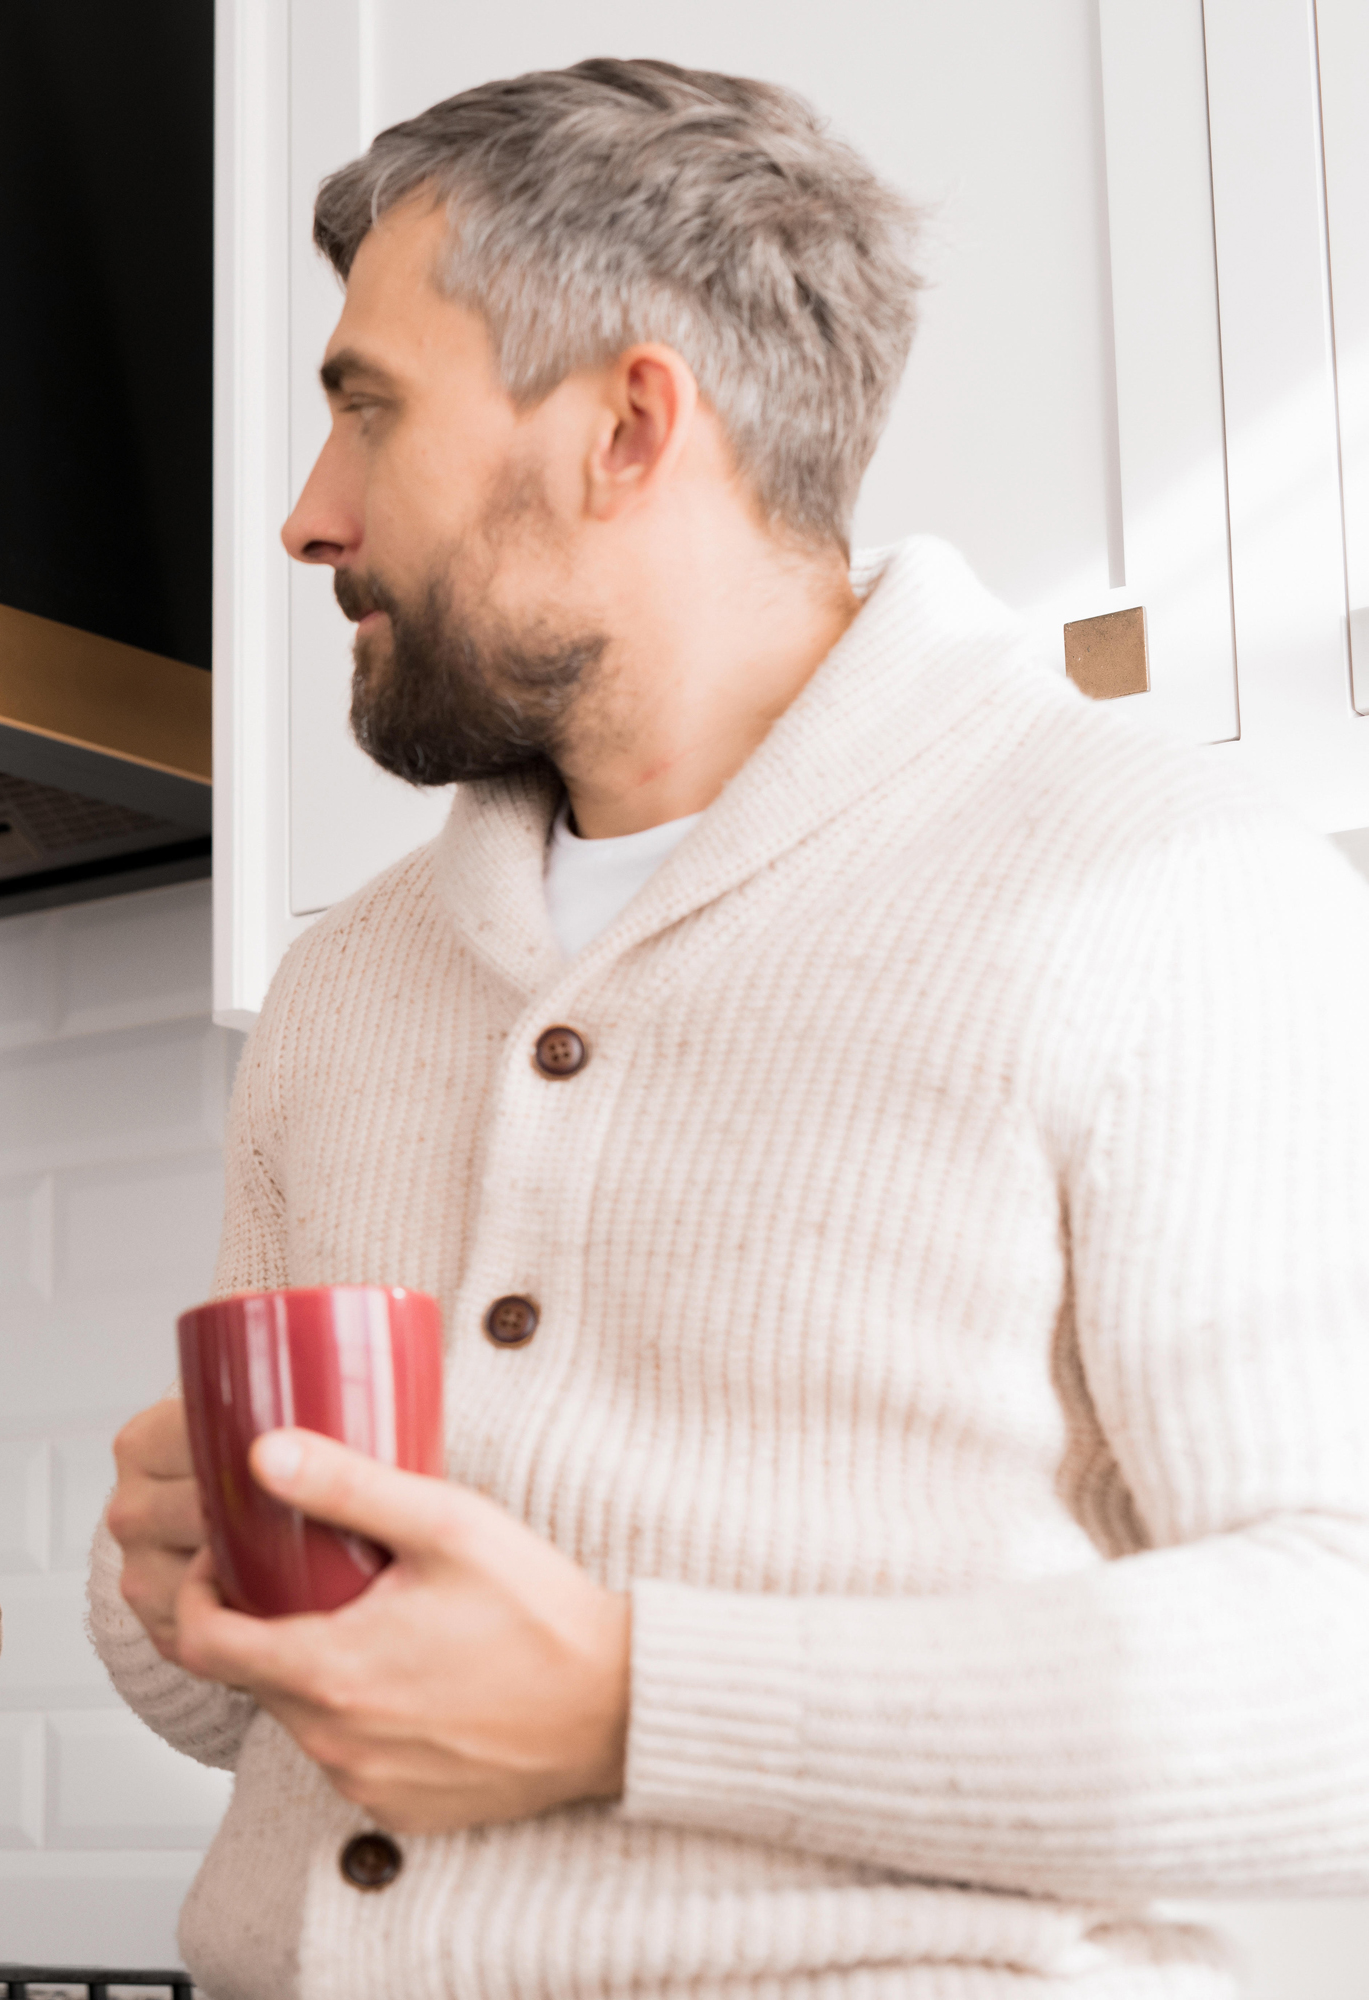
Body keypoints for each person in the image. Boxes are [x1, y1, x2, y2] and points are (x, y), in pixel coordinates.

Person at [89, 58, 1369, 1998]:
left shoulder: (1161, 887)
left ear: (627, 424)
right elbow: (256, 1711)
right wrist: (178, 1588)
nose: (306, 515)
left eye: (369, 411)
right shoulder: (352, 983)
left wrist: (631, 1696)